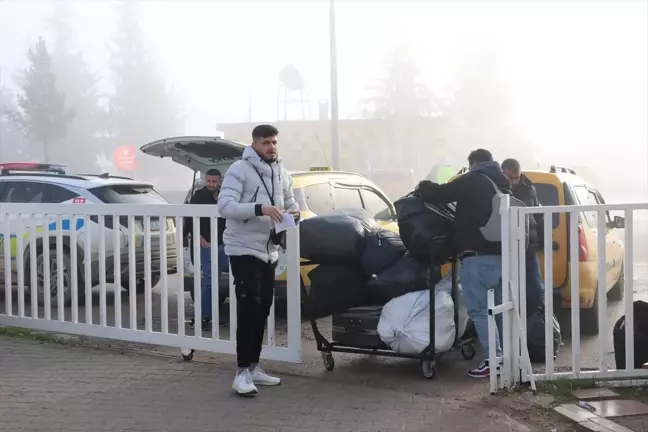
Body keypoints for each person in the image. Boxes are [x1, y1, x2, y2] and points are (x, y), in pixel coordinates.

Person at [218, 124, 299, 396]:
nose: (272, 147)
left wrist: (293, 212)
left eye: (274, 141)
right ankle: (241, 373)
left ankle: (253, 368)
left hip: (269, 251)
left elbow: (290, 202)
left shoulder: (282, 173)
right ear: (254, 144)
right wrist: (259, 209)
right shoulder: (238, 170)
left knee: (263, 309)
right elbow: (225, 206)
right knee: (248, 309)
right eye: (266, 142)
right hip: (243, 249)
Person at [416, 149, 509, 378]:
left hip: (476, 258)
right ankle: (506, 359)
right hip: (501, 258)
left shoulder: (474, 179)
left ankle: (492, 361)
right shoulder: (502, 184)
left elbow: (440, 193)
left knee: (479, 312)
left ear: (473, 163)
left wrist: (423, 185)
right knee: (500, 311)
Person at [183, 168, 228, 330]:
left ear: (220, 181)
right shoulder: (198, 196)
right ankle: (201, 318)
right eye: (209, 181)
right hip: (207, 245)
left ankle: (209, 317)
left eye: (215, 181)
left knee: (215, 281)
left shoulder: (224, 196)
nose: (211, 184)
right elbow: (190, 222)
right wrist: (201, 241)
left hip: (223, 245)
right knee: (209, 282)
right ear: (205, 180)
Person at [501, 158, 545, 315]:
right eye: (510, 177)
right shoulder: (497, 189)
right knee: (508, 294)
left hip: (527, 248)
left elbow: (538, 216)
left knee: (535, 290)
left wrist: (543, 240)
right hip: (506, 249)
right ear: (502, 174)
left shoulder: (528, 189)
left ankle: (534, 325)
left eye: (516, 177)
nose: (514, 181)